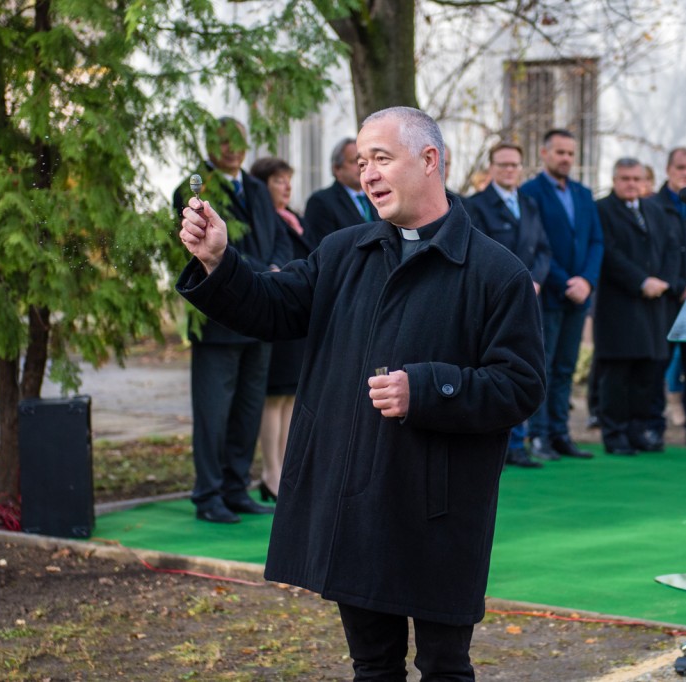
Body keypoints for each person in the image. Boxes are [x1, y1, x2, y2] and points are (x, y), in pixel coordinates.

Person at [177, 106, 545, 681]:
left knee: (445, 666)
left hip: (440, 509)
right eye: (361, 160)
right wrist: (220, 260)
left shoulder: (498, 272)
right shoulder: (343, 251)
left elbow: (520, 385)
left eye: (381, 159)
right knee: (372, 666)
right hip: (356, 502)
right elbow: (273, 307)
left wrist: (426, 389)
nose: (368, 173)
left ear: (429, 160)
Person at [172, 116, 290, 523]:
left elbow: (279, 236)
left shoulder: (256, 188)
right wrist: (263, 272)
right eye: (222, 141)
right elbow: (210, 246)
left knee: (248, 409)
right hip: (218, 321)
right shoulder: (193, 190)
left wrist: (276, 268)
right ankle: (208, 496)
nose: (231, 149)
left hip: (258, 316)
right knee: (213, 414)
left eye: (238, 141)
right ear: (208, 145)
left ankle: (236, 489)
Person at [520, 128, 603, 461]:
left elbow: (596, 241)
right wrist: (566, 282)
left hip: (580, 296)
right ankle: (539, 435)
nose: (566, 158)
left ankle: (560, 434)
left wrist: (587, 281)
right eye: (560, 152)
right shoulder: (530, 192)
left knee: (567, 367)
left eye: (570, 153)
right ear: (544, 154)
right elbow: (537, 245)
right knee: (545, 366)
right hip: (549, 295)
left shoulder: (583, 193)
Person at [465, 142, 550, 468]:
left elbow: (543, 249)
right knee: (499, 369)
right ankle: (504, 445)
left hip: (529, 298)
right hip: (495, 300)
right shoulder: (476, 205)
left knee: (526, 366)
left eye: (514, 164)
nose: (509, 170)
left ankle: (521, 443)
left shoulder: (529, 204)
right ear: (491, 168)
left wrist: (535, 280)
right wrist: (515, 282)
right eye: (503, 164)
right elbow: (479, 251)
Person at [594, 158, 679, 454]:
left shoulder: (654, 210)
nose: (631, 184)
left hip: (654, 306)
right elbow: (609, 254)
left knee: (646, 372)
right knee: (617, 376)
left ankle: (637, 430)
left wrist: (664, 281)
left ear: (644, 181)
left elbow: (671, 247)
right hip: (620, 305)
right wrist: (642, 281)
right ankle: (614, 434)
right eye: (625, 178)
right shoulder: (602, 210)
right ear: (615, 180)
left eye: (636, 178)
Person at [249, 156, 318, 502]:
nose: (287, 186)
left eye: (288, 179)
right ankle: (270, 472)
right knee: (274, 397)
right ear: (262, 186)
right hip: (276, 313)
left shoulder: (296, 219)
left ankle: (285, 469)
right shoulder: (263, 221)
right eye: (278, 180)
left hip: (299, 316)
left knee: (291, 396)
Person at [648, 147, 686, 445]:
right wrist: (677, 284)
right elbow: (653, 253)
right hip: (664, 299)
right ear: (669, 170)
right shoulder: (654, 205)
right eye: (680, 167)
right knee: (657, 365)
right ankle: (653, 427)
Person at [303, 137, 378, 244]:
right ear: (337, 168)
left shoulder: (376, 196)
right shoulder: (320, 202)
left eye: (363, 161)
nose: (360, 166)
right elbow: (322, 247)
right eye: (354, 161)